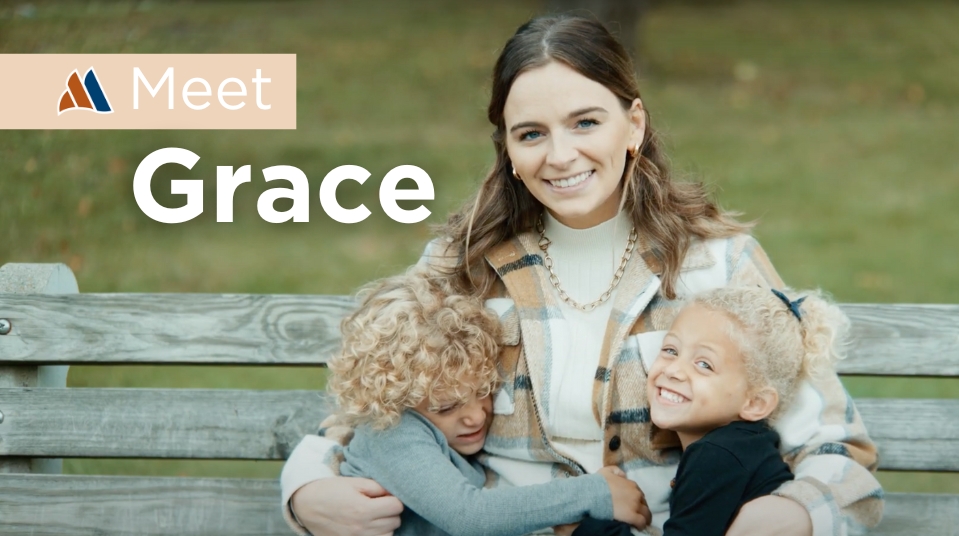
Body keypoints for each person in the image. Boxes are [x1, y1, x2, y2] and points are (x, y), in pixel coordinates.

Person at [281, 14, 884, 536]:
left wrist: (797, 514)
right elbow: (373, 409)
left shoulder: (715, 263)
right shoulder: (459, 264)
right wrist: (306, 492)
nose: (560, 154)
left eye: (586, 123)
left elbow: (836, 444)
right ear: (509, 152)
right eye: (532, 134)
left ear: (634, 125)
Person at [325, 269, 650, 536]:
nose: (474, 417)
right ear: (393, 399)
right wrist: (593, 493)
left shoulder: (439, 429)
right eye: (446, 407)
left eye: (483, 391)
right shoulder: (392, 432)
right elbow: (470, 516)